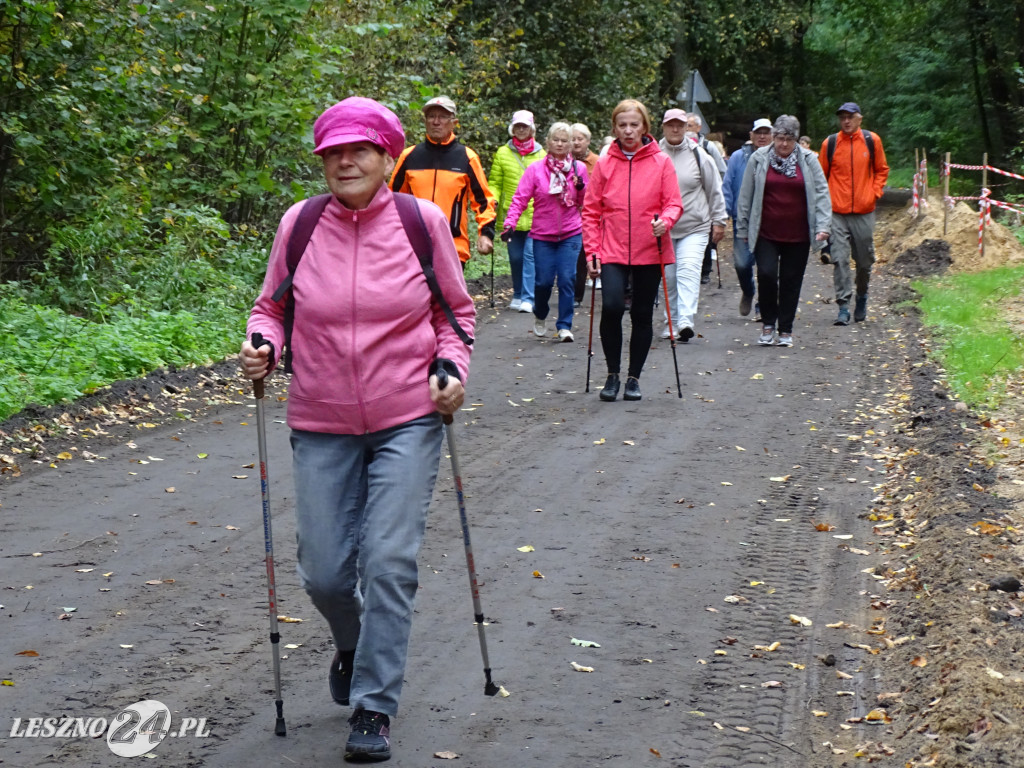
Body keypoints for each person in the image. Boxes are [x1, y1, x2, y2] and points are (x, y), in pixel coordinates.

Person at [240, 97, 475, 763]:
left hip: (407, 416)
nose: (345, 161)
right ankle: (353, 642)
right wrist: (263, 343)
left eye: (359, 150)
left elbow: (453, 314)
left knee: (390, 561)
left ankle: (374, 704)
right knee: (324, 575)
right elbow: (272, 308)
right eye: (333, 152)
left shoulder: (419, 222)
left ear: (384, 156)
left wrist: (450, 368)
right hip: (321, 419)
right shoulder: (301, 224)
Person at [582, 99, 683, 402]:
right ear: (614, 128)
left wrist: (665, 221)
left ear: (645, 127)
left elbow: (674, 203)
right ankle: (612, 374)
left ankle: (633, 378)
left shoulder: (661, 162)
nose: (628, 130)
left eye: (634, 125)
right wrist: (592, 253)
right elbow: (590, 211)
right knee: (612, 306)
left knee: (641, 313)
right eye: (622, 125)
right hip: (610, 249)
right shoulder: (604, 163)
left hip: (649, 248)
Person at [736, 115, 831, 347]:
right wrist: (743, 227)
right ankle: (768, 323)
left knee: (791, 280)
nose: (784, 144)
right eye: (779, 138)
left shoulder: (809, 160)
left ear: (796, 140)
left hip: (798, 233)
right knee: (767, 274)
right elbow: (745, 195)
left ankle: (785, 329)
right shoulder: (759, 158)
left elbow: (822, 193)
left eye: (789, 139)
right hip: (766, 231)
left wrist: (823, 226)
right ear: (773, 137)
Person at [502, 122, 589, 342]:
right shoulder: (535, 170)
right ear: (548, 142)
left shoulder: (579, 169)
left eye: (565, 140)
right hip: (542, 235)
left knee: (568, 279)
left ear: (571, 144)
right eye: (556, 140)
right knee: (543, 282)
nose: (560, 144)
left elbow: (585, 202)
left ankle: (564, 326)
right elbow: (520, 199)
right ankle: (540, 314)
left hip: (571, 232)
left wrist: (581, 188)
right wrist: (510, 223)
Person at [389, 96, 497, 268]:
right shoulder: (409, 156)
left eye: (443, 117)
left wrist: (486, 233)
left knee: (448, 296)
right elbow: (392, 200)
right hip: (414, 247)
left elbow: (484, 201)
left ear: (454, 122)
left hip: (453, 247)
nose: (436, 122)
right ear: (425, 121)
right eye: (431, 116)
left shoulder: (467, 157)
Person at [818, 101, 889, 325]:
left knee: (864, 261)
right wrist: (824, 204)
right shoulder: (830, 144)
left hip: (864, 211)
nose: (846, 121)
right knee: (839, 259)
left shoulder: (871, 141)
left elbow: (882, 170)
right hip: (837, 212)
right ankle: (843, 306)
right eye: (842, 117)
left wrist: (874, 193)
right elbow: (821, 177)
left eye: (850, 117)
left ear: (860, 118)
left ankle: (862, 296)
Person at [659, 109, 727, 341]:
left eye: (681, 125)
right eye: (671, 125)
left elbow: (714, 190)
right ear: (664, 127)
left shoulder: (700, 156)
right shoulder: (653, 155)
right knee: (669, 277)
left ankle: (685, 321)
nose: (676, 129)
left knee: (687, 270)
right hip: (664, 229)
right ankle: (671, 321)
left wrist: (719, 221)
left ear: (687, 128)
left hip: (695, 226)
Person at [488, 110, 546, 313]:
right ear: (512, 128)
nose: (521, 129)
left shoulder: (541, 154)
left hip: (535, 214)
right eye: (518, 126)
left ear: (532, 129)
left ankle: (528, 298)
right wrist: (492, 200)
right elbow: (495, 182)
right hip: (510, 215)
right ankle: (519, 293)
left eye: (525, 126)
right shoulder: (503, 153)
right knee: (515, 257)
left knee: (530, 255)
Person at [722, 118, 773, 318]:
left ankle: (763, 305)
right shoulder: (737, 157)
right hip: (742, 219)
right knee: (742, 264)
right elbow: (727, 185)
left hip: (768, 219)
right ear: (751, 135)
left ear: (772, 135)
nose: (762, 136)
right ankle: (748, 291)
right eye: (758, 132)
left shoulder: (777, 157)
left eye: (766, 132)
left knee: (766, 266)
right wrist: (723, 214)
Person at [684, 114, 727, 286]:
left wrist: (716, 191)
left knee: (707, 233)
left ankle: (705, 270)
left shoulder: (709, 147)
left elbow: (722, 171)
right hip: (687, 199)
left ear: (698, 128)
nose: (686, 129)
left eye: (689, 125)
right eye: (684, 125)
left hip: (707, 196)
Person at [571, 122, 600, 304]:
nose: (575, 143)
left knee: (582, 255)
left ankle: (577, 294)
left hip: (590, 214)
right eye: (572, 139)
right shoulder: (562, 162)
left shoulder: (597, 162)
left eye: (579, 139)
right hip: (568, 214)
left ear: (588, 141)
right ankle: (572, 290)